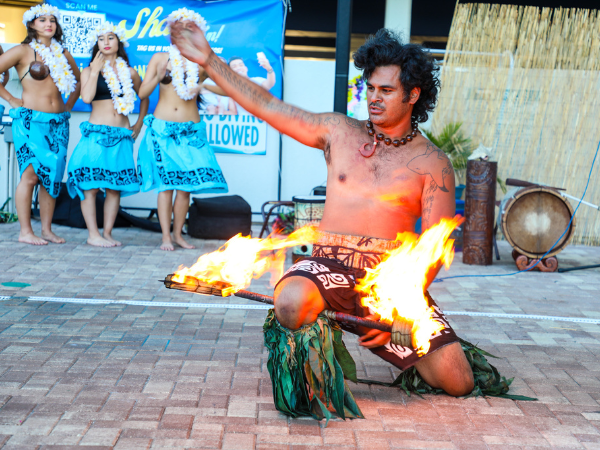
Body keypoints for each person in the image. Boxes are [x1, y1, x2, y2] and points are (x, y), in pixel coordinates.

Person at [171, 24, 475, 396]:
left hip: (389, 282)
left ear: (413, 94)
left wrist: (397, 311)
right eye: (371, 88)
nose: (374, 98)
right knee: (291, 302)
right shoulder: (338, 131)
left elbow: (431, 250)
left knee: (457, 382)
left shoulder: (433, 163)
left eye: (386, 91)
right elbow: (269, 107)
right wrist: (210, 61)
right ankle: (318, 352)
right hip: (326, 268)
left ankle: (379, 331)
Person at [137, 8, 228, 251]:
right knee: (166, 184)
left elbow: (228, 88)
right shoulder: (160, 58)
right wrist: (156, 76)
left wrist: (202, 86)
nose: (179, 33)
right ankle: (166, 236)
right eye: (175, 28)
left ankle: (178, 234)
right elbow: (142, 93)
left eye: (186, 28)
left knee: (185, 186)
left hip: (191, 131)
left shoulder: (203, 59)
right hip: (162, 129)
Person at [0, 4, 80, 245]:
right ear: (31, 24)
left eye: (52, 20)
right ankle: (25, 231)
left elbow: (76, 82)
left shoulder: (62, 53)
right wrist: (12, 99)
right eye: (42, 20)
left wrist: (68, 107)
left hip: (58, 123)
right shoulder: (23, 51)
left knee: (52, 177)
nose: (49, 24)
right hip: (29, 121)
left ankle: (46, 229)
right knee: (31, 175)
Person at [66, 22, 148, 247]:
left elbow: (145, 97)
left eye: (110, 38)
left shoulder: (130, 72)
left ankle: (108, 233)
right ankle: (93, 234)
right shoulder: (88, 71)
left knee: (114, 187)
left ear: (118, 41)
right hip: (97, 134)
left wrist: (139, 123)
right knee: (89, 186)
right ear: (97, 43)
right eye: (101, 39)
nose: (106, 42)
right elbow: (86, 98)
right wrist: (94, 71)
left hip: (122, 135)